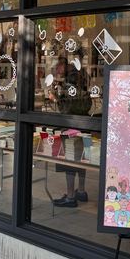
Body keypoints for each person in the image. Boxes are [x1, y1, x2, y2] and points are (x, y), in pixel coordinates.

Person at [52, 50, 92, 208]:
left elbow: (66, 107)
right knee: (82, 159)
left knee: (69, 160)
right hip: (85, 124)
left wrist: (55, 98)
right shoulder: (83, 76)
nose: (56, 69)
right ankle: (81, 191)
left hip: (71, 126)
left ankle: (70, 196)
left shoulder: (69, 82)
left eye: (58, 66)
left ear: (64, 65)